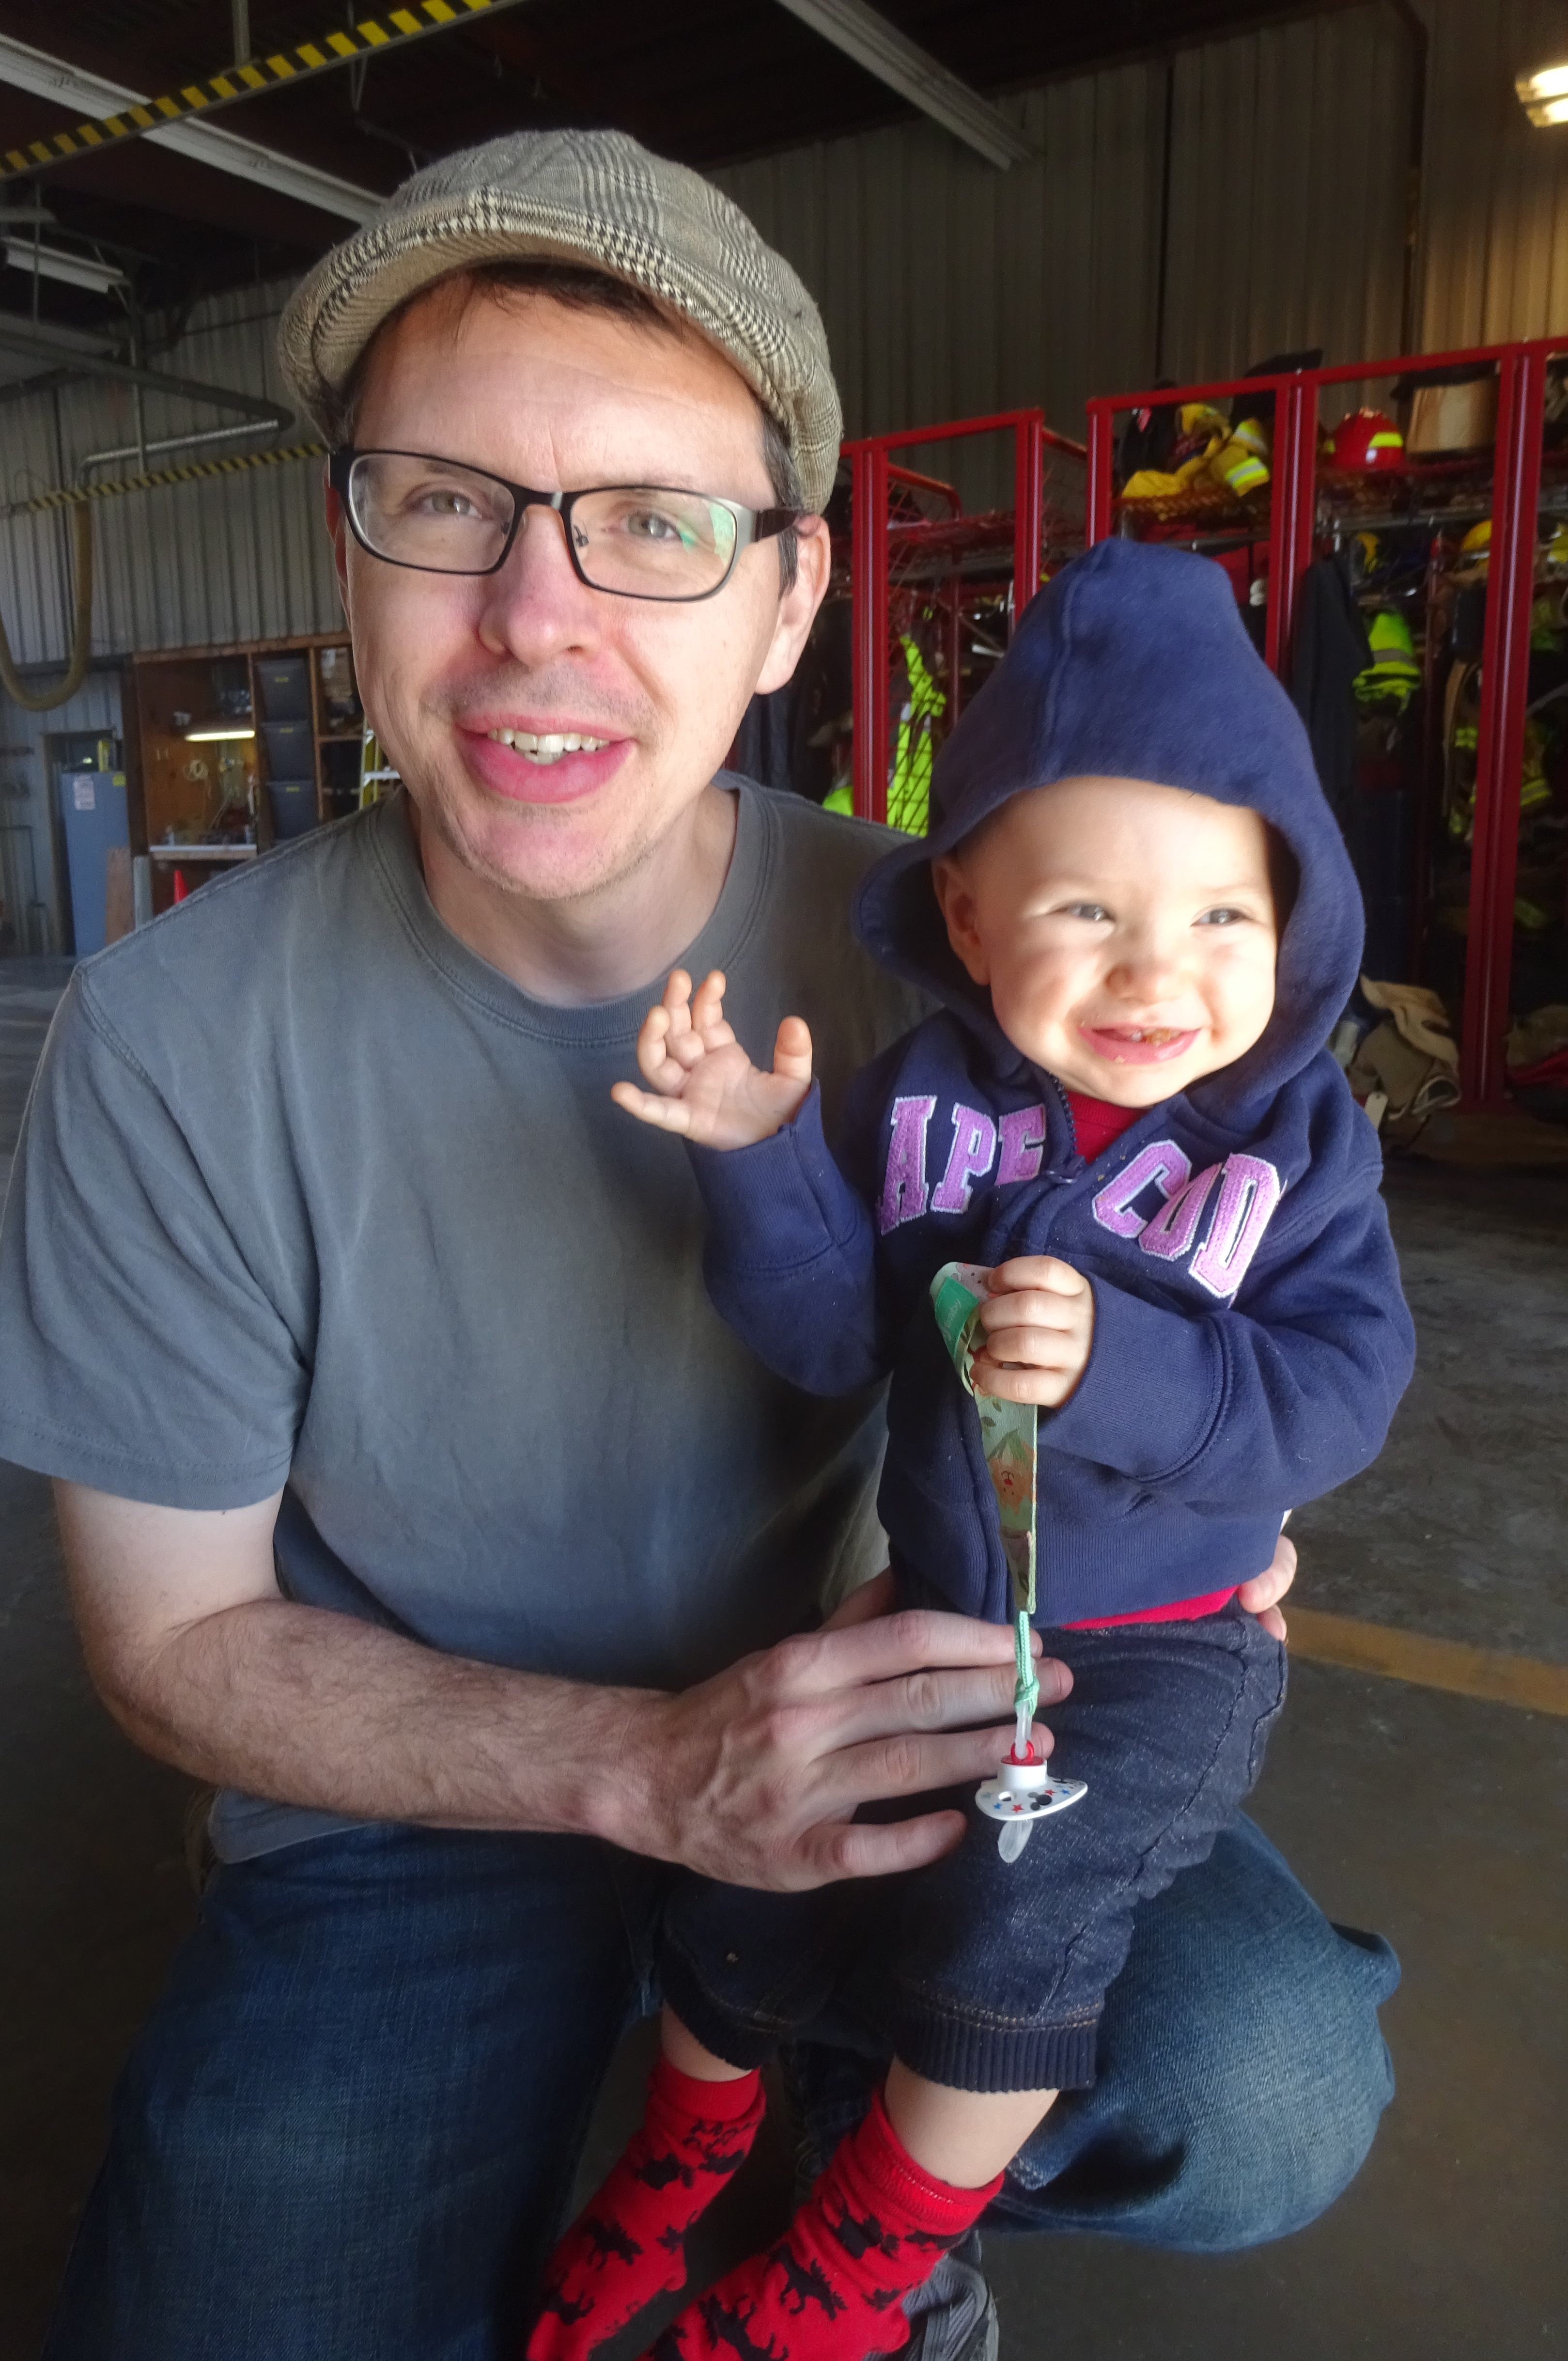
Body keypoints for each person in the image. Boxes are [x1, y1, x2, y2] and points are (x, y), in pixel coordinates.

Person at [0, 132, 1394, 2361]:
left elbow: (1243, 1289)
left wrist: (1195, 1481)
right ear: (347, 551)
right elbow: (172, 1643)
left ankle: (845, 2184)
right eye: (445, 502)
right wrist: (642, 1767)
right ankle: (740, 2132)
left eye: (653, 523)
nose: (535, 614)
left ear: (790, 599)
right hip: (414, 1809)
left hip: (892, 1711)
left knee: (1263, 2076)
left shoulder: (965, 957)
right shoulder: (173, 1038)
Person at [528, 541, 1414, 2361]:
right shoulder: (928, 1097)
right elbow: (831, 1338)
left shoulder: (1297, 1151)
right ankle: (689, 2142)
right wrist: (762, 1156)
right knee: (763, 1863)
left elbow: (1342, 1391)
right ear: (968, 913)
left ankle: (866, 2254)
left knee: (1021, 1915)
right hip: (935, 1603)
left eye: (1223, 916)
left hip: (1156, 1655)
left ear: (1295, 916)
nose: (1159, 972)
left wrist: (1128, 1372)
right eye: (1088, 909)